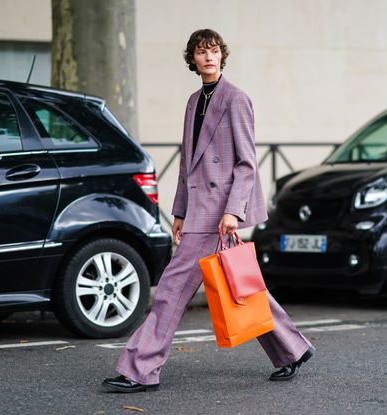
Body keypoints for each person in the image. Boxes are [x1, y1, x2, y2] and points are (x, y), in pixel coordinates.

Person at [103, 29, 314, 393]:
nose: (209, 57)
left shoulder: (236, 99)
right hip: (199, 211)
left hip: (219, 214)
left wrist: (233, 211)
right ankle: (292, 350)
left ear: (222, 56)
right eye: (202, 52)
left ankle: (139, 369)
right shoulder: (192, 101)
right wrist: (180, 210)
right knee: (244, 287)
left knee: (170, 291)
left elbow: (247, 163)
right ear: (193, 60)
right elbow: (189, 162)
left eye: (214, 50)